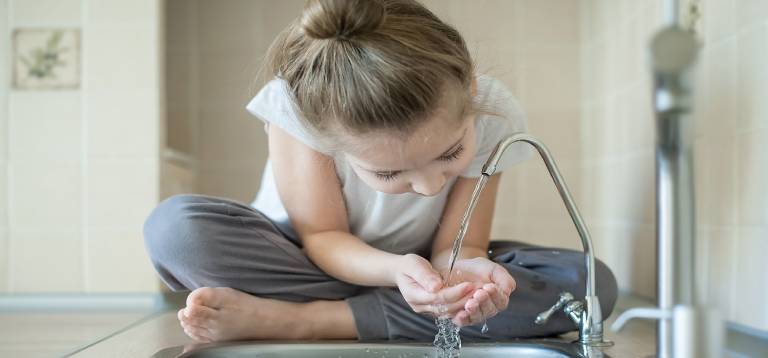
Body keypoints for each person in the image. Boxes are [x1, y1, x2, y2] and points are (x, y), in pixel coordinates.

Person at [144, 0, 617, 343]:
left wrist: (464, 273)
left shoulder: (491, 109)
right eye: (390, 175)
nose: (431, 186)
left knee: (588, 285)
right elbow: (323, 237)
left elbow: (460, 246)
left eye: (450, 153)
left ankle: (298, 320)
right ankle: (365, 313)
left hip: (420, 267)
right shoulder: (294, 108)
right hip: (304, 259)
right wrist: (395, 273)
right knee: (177, 232)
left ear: (469, 89)